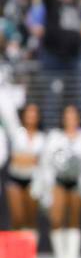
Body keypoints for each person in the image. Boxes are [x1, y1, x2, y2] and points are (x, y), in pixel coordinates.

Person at [40, 105, 81, 258]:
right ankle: (60, 257)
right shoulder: (55, 137)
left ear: (78, 118)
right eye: (67, 115)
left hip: (78, 182)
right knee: (57, 218)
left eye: (74, 115)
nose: (70, 119)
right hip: (59, 182)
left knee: (74, 219)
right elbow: (46, 161)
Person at [5, 104, 45, 243]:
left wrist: (25, 159)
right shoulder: (16, 133)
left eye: (34, 113)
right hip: (15, 179)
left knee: (31, 218)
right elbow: (15, 159)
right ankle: (15, 251)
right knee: (17, 217)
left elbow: (40, 161)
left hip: (33, 181)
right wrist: (30, 159)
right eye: (29, 113)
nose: (31, 116)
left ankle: (28, 251)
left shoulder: (42, 137)